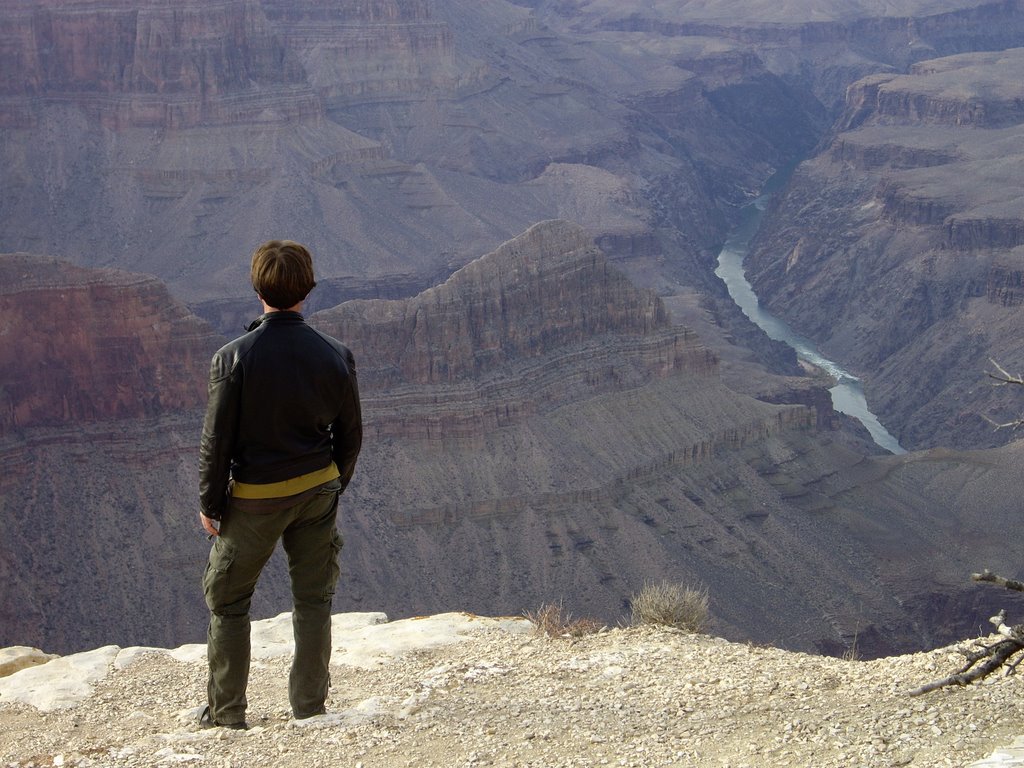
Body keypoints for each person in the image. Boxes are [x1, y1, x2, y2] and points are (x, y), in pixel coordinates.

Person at [197, 239, 362, 729]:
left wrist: (211, 503)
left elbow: (216, 441)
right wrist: (332, 485)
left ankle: (226, 713)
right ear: (307, 289)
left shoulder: (234, 358)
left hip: (254, 501)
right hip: (318, 491)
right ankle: (309, 708)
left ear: (257, 288)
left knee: (227, 599)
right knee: (314, 597)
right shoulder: (336, 354)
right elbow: (350, 435)